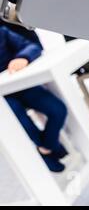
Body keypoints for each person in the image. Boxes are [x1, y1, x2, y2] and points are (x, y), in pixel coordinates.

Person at [0, 26, 68, 172]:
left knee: (58, 110)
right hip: (2, 98)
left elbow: (31, 46)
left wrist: (23, 57)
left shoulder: (2, 32)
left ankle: (46, 148)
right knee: (21, 122)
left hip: (21, 84)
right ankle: (51, 148)